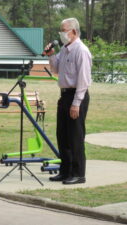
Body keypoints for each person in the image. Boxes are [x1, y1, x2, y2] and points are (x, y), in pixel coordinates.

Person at [43, 18, 92, 185]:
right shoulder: (64, 49)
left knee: (75, 136)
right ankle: (65, 172)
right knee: (62, 135)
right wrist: (51, 55)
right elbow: (56, 69)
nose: (61, 34)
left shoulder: (81, 51)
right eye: (61, 30)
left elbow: (84, 80)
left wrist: (76, 103)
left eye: (64, 30)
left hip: (76, 95)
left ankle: (78, 174)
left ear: (74, 32)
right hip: (64, 95)